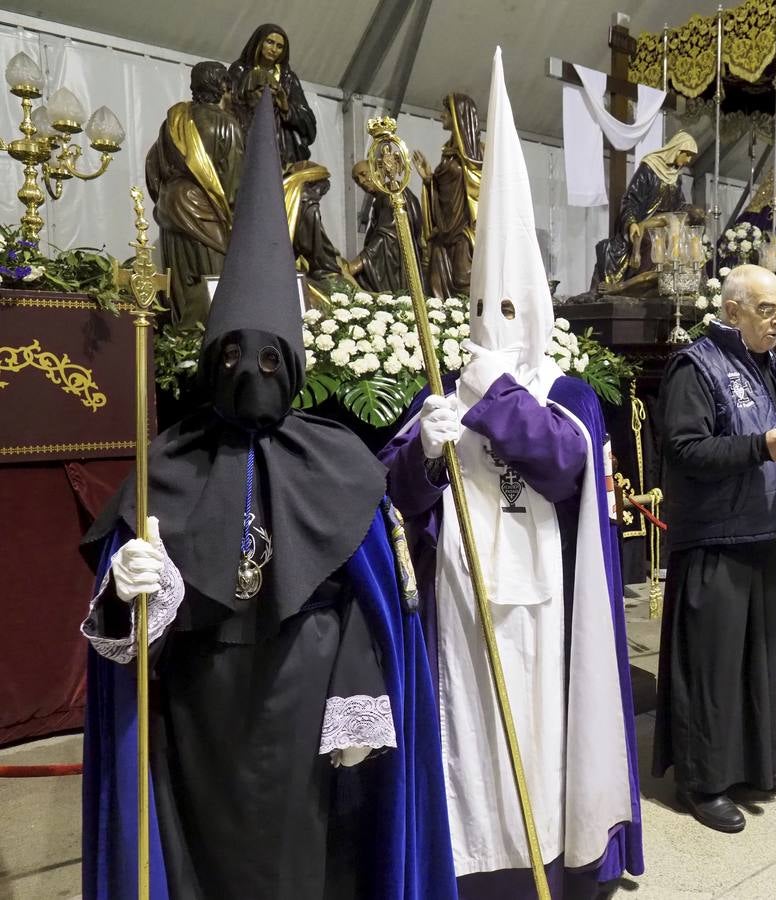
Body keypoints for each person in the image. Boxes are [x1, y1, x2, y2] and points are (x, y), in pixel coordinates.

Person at [79, 89, 454, 899]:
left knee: (309, 862)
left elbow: (377, 602)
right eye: (232, 357)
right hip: (201, 710)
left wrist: (358, 693)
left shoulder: (339, 462)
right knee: (206, 861)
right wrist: (127, 585)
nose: (250, 372)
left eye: (271, 359)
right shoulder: (166, 464)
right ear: (209, 363)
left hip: (309, 701)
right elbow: (120, 617)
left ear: (295, 365)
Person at [379, 49, 640, 894]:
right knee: (471, 740)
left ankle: (551, 862)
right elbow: (394, 499)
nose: (496, 324)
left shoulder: (567, 393)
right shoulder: (442, 388)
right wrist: (424, 452)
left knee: (540, 737)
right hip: (463, 604)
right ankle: (474, 872)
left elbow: (567, 466)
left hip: (549, 608)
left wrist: (495, 396)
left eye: (510, 309)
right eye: (482, 310)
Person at [651, 263, 776, 833]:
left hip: (764, 530)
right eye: (766, 310)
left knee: (758, 663)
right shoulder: (695, 366)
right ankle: (703, 781)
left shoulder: (768, 364)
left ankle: (750, 765)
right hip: (715, 538)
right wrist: (758, 448)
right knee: (713, 670)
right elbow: (684, 449)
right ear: (731, 311)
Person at [144, 60, 243, 326]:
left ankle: (181, 337)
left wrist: (165, 194)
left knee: (180, 280)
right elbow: (233, 182)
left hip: (170, 205)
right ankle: (207, 341)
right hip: (206, 209)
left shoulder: (174, 120)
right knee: (215, 278)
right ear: (222, 85)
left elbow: (152, 166)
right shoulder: (226, 123)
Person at [593, 132, 699, 289]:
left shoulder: (676, 176)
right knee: (654, 241)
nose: (689, 160)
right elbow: (631, 199)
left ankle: (679, 285)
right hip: (647, 222)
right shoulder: (649, 168)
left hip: (669, 223)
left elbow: (680, 205)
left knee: (690, 242)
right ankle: (641, 288)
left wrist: (694, 214)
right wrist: (631, 222)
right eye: (687, 155)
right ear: (677, 150)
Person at [414, 92, 482, 298]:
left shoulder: (478, 156)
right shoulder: (448, 155)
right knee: (436, 284)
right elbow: (445, 191)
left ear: (459, 116)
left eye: (447, 111)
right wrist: (429, 180)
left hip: (464, 231)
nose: (442, 115)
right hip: (443, 232)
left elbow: (481, 191)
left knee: (463, 280)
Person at [227, 24, 316, 169]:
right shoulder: (240, 70)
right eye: (270, 42)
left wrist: (286, 108)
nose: (274, 49)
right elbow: (227, 104)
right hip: (247, 140)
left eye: (279, 46)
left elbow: (308, 120)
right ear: (259, 42)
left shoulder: (288, 78)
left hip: (279, 146)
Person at [350, 158, 425, 295]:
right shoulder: (380, 199)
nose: (361, 182)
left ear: (377, 171)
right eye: (356, 180)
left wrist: (359, 263)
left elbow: (387, 236)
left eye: (363, 174)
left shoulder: (391, 194)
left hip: (399, 267)